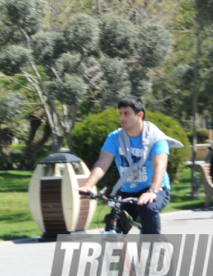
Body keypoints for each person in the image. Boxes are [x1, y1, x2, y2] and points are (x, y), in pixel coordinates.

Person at [77, 97, 183, 235]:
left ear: (140, 115)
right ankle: (116, 255)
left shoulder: (156, 139)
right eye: (120, 113)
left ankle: (153, 248)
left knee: (148, 209)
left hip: (157, 189)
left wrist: (152, 191)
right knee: (113, 223)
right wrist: (88, 185)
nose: (122, 117)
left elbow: (160, 167)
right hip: (128, 192)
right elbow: (102, 163)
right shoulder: (115, 138)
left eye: (126, 113)